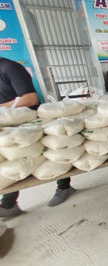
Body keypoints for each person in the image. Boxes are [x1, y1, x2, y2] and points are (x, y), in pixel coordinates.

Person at [0, 57, 76, 217]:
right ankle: (8, 203)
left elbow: (30, 98)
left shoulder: (9, 68)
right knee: (14, 160)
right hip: (6, 125)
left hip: (27, 123)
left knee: (53, 151)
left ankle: (64, 186)